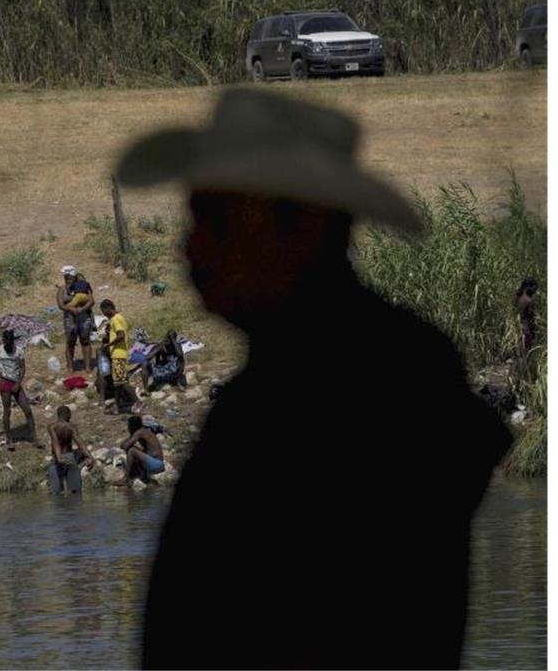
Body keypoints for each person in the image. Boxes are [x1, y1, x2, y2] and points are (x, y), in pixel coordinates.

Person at [116, 87, 513, 669]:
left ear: (302, 226)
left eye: (216, 220)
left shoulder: (373, 390)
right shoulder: (291, 382)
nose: (190, 246)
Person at [0, 328, 40, 451]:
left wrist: (18, 383)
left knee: (28, 410)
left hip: (16, 383)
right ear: (4, 341)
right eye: (7, 342)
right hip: (5, 383)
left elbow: (22, 368)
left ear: (13, 341)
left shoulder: (19, 351)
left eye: (11, 342)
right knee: (7, 411)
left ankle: (34, 438)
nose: (9, 345)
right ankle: (9, 439)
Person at [99, 300, 141, 414]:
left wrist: (108, 345)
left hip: (118, 354)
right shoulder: (118, 318)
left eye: (103, 311)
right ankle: (118, 406)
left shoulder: (116, 319)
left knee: (121, 382)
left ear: (108, 308)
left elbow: (121, 335)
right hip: (119, 354)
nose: (104, 314)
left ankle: (137, 402)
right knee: (117, 382)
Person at [47, 405, 95, 494]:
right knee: (75, 492)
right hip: (69, 458)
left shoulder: (52, 427)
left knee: (55, 494)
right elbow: (80, 443)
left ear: (58, 415)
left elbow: (55, 442)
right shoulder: (71, 427)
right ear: (68, 414)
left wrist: (59, 457)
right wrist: (90, 457)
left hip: (56, 460)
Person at [56, 265, 95, 372]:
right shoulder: (62, 289)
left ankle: (87, 366)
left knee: (85, 341)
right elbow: (60, 304)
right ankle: (70, 366)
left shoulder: (83, 286)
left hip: (83, 317)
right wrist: (70, 309)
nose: (67, 279)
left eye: (69, 277)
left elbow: (91, 301)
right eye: (65, 277)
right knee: (70, 342)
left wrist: (81, 310)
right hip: (69, 318)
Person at [115, 415, 165, 487]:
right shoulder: (143, 431)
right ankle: (144, 477)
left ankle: (125, 478)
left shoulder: (140, 432)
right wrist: (131, 436)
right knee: (134, 450)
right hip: (158, 464)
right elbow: (123, 445)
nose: (128, 427)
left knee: (132, 450)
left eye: (129, 425)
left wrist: (131, 436)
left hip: (156, 465)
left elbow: (125, 446)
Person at [141, 330, 187, 394]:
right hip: (164, 369)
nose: (170, 340)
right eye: (169, 338)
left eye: (172, 339)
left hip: (175, 370)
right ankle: (146, 390)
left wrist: (174, 341)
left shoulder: (177, 345)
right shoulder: (162, 345)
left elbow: (180, 354)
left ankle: (177, 381)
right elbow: (148, 357)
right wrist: (160, 346)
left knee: (180, 360)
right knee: (144, 364)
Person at [515, 276, 539, 352]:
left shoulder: (517, 296)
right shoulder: (529, 301)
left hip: (519, 328)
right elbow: (531, 317)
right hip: (527, 329)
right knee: (527, 351)